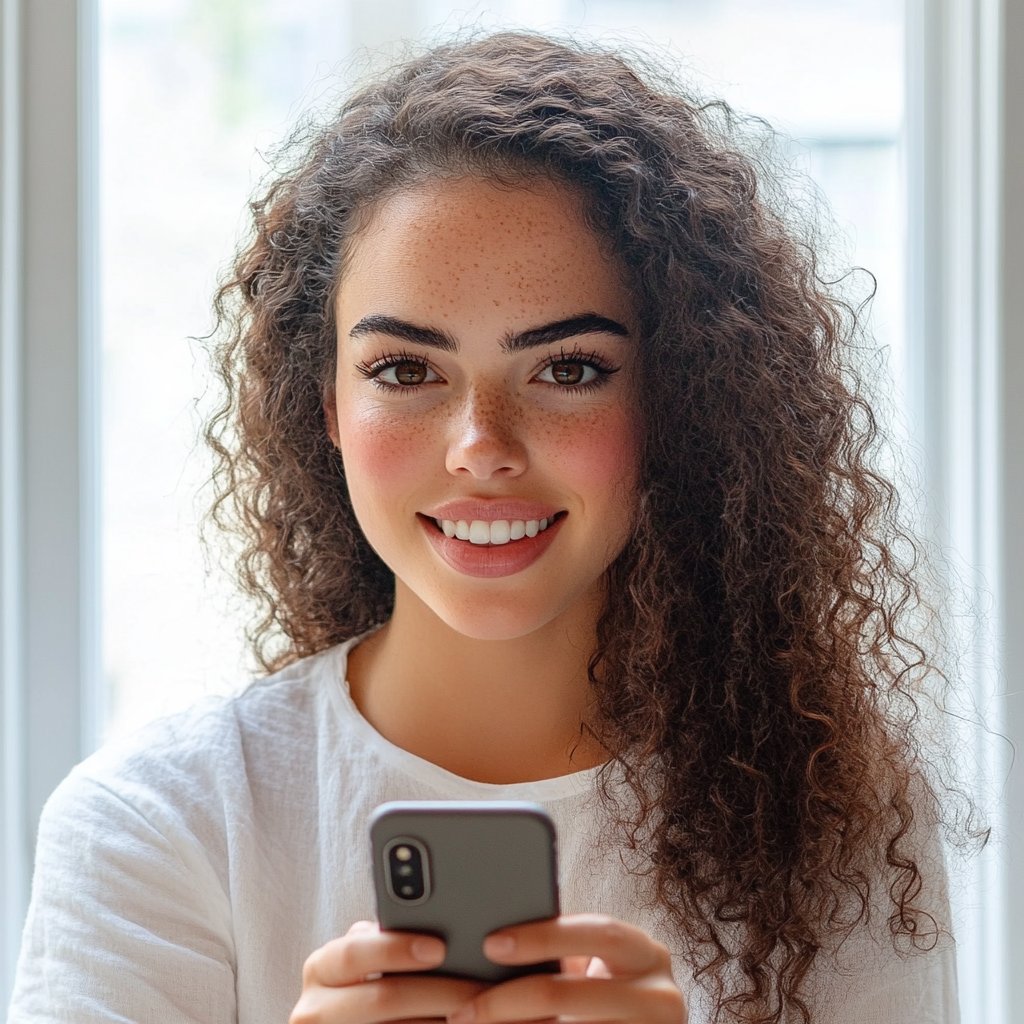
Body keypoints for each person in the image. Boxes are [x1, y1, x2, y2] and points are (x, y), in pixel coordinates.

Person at [9, 31, 972, 1024]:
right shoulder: (158, 825)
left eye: (568, 369)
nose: (481, 446)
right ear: (327, 405)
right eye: (406, 370)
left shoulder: (827, 826)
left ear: (679, 401)